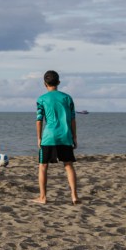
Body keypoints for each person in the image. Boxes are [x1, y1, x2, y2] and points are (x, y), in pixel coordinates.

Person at [33, 70, 79, 205]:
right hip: (65, 136)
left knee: (43, 166)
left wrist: (39, 138)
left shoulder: (41, 99)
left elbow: (39, 120)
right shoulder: (67, 98)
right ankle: (74, 196)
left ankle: (43, 197)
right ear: (58, 82)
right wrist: (74, 137)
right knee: (68, 165)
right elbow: (72, 120)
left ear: (44, 84)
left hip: (49, 136)